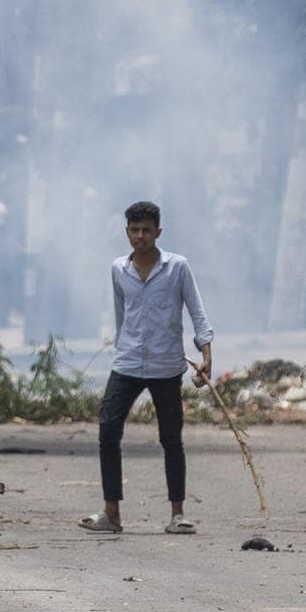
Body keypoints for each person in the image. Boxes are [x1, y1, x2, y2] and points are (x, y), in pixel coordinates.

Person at [79, 200, 212, 535]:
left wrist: (205, 353)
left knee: (171, 438)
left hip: (166, 364)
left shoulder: (177, 267)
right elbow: (121, 314)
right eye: (134, 230)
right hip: (127, 362)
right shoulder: (118, 269)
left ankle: (177, 514)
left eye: (146, 231)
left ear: (158, 232)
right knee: (108, 430)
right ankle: (112, 513)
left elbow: (197, 311)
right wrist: (122, 344)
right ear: (127, 232)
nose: (140, 236)